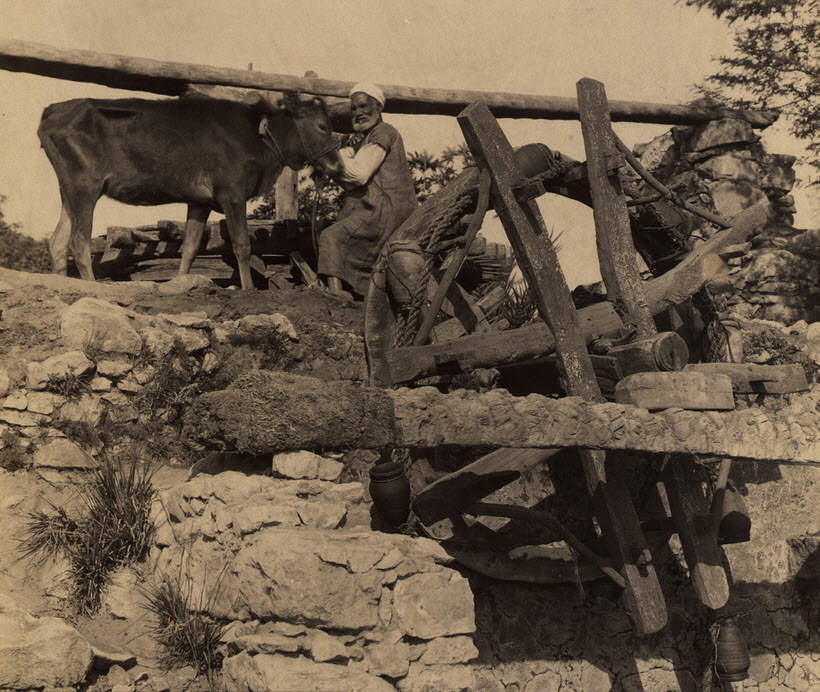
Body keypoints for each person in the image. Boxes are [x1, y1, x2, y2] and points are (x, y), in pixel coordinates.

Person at [318, 82, 417, 298]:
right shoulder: (366, 139)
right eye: (354, 109)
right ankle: (359, 294)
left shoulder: (383, 132)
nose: (358, 113)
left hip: (384, 211)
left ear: (378, 108)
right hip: (378, 209)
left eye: (363, 107)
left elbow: (358, 175)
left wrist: (328, 155)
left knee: (330, 236)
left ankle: (337, 296)